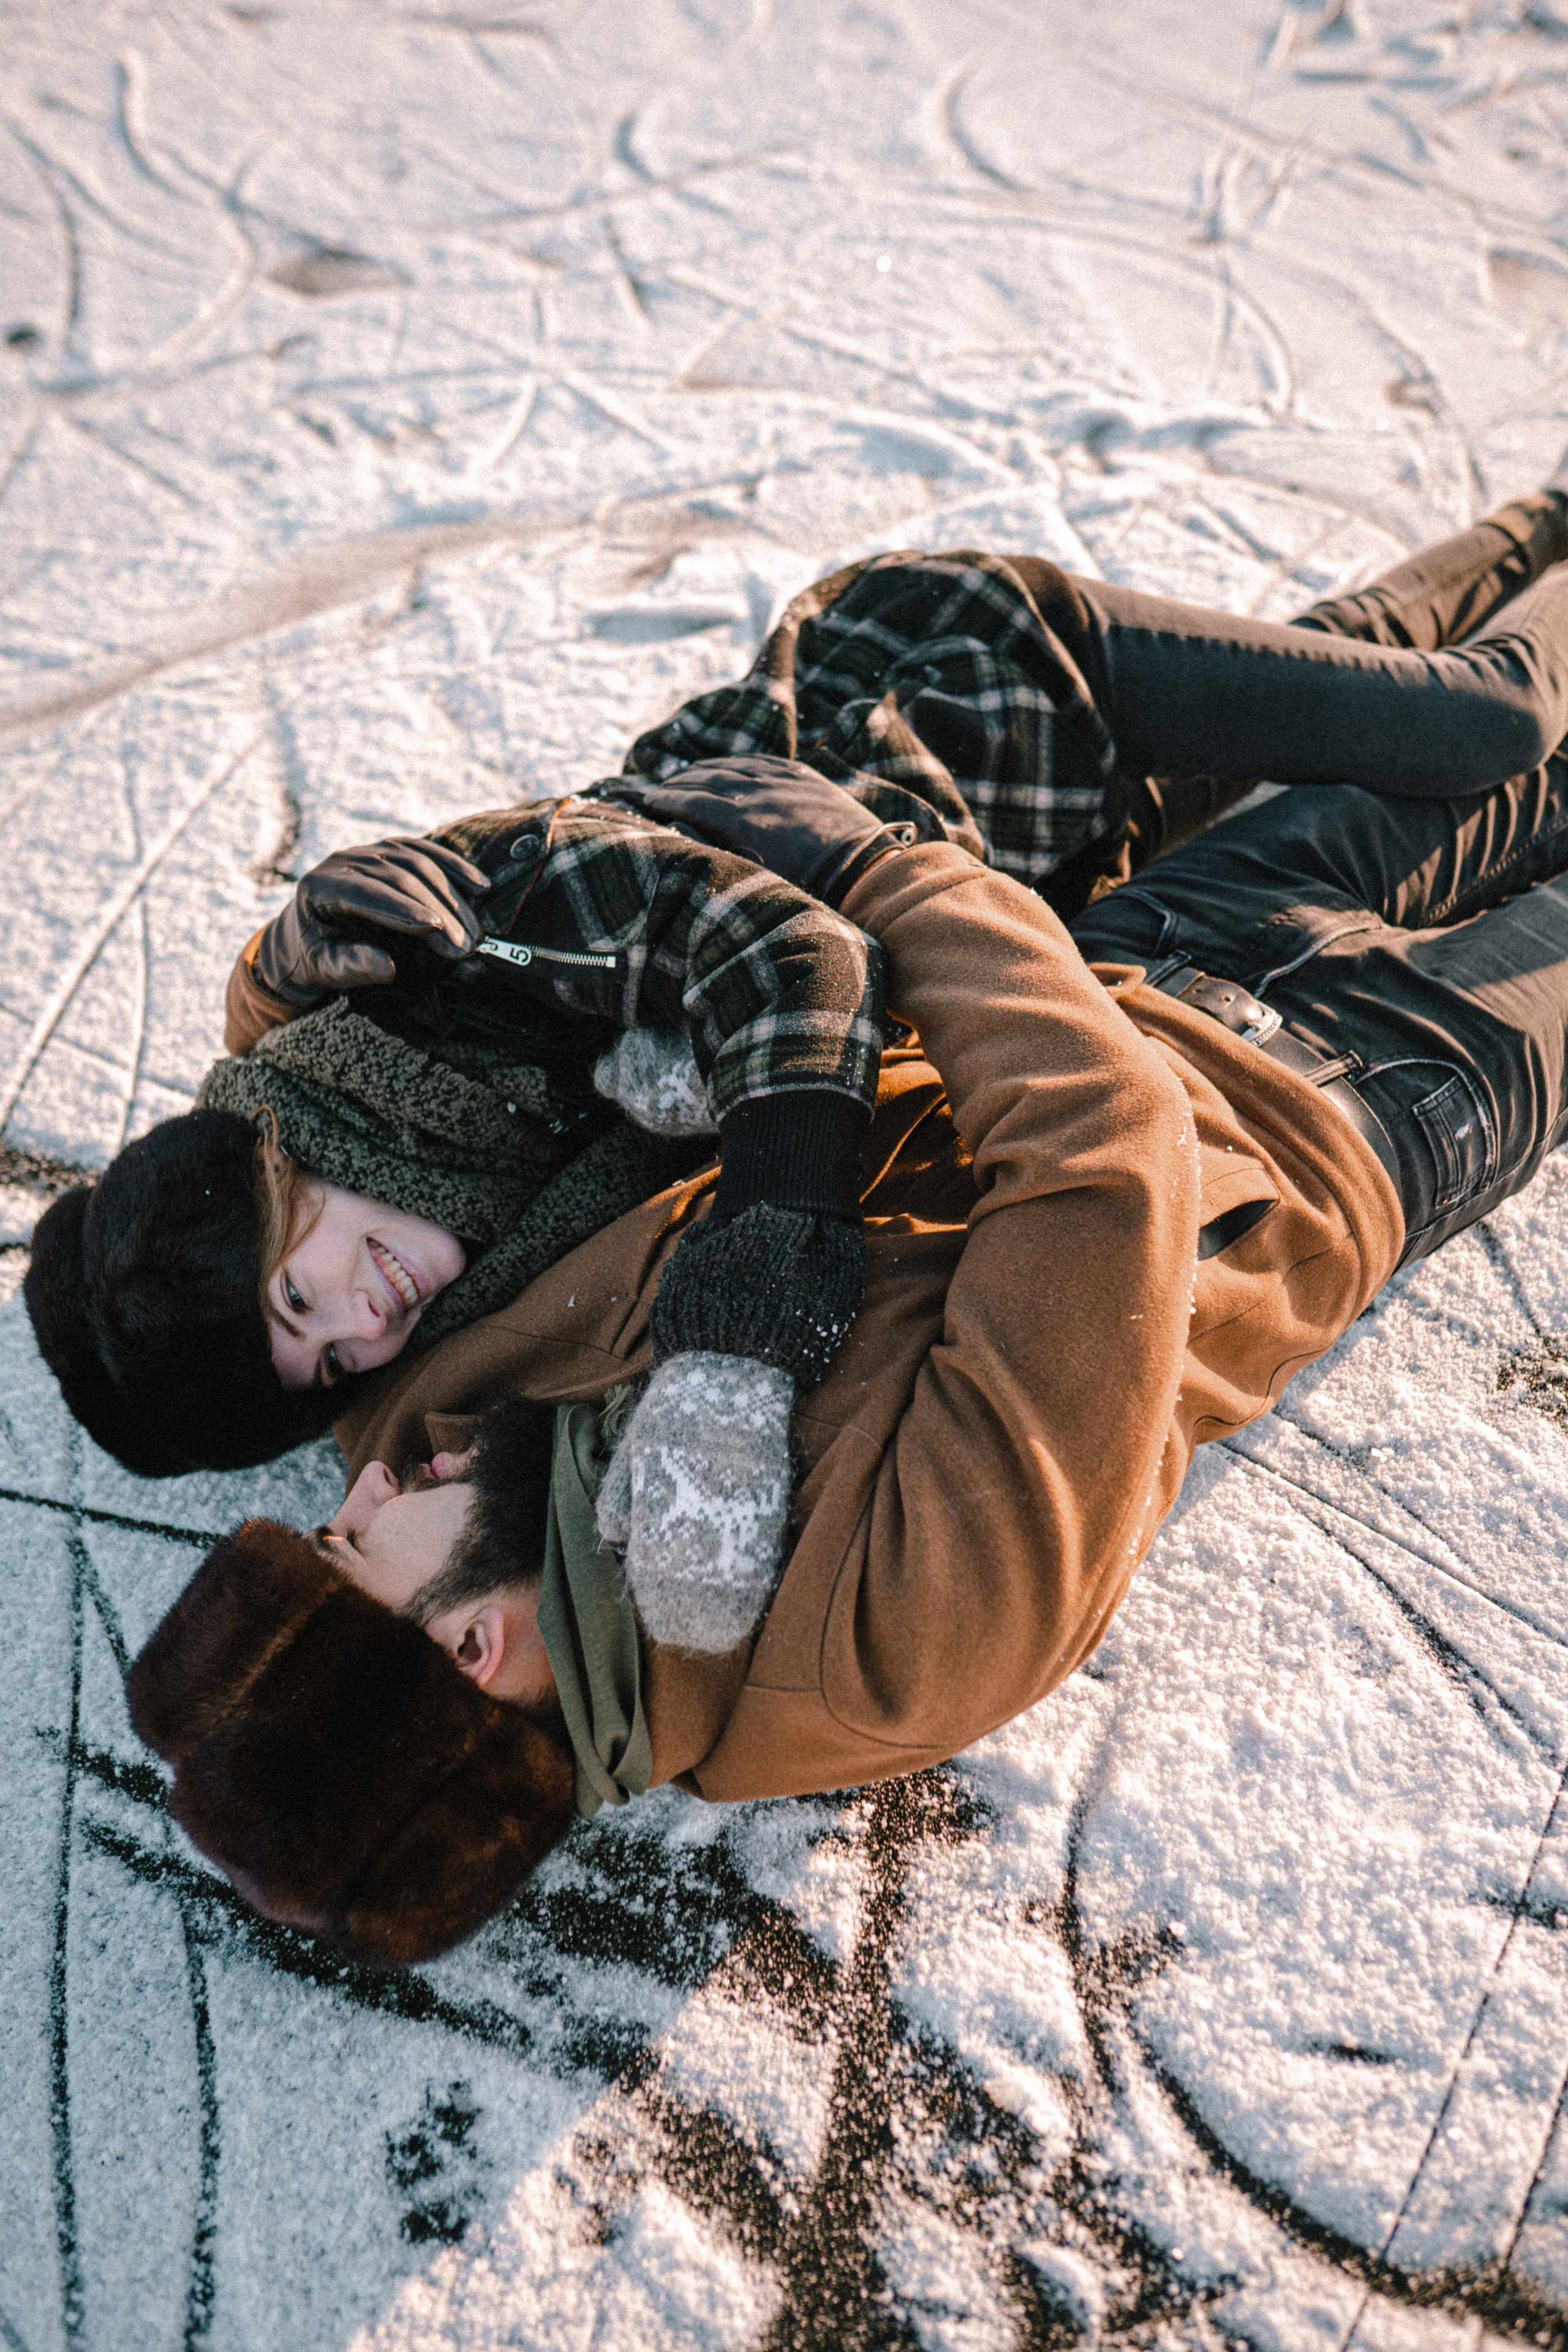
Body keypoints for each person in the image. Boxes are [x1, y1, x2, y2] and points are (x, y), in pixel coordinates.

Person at [126, 483, 1568, 1962]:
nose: (357, 1483)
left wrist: (291, 984)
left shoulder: (446, 1425)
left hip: (1113, 957)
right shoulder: (884, 1649)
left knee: (1492, 713)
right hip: (1353, 1093)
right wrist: (881, 874)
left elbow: (334, 1157)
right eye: (352, 1546)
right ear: (475, 1647)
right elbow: (1106, 1158)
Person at [26, 489, 1568, 1482]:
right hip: (1040, 862)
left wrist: (768, 1262)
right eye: (332, 1366)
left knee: (1482, 722)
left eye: (301, 1292)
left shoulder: (468, 950)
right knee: (1358, 664)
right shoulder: (450, 1173)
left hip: (977, 682)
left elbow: (797, 958)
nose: (368, 1322)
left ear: (274, 1177)